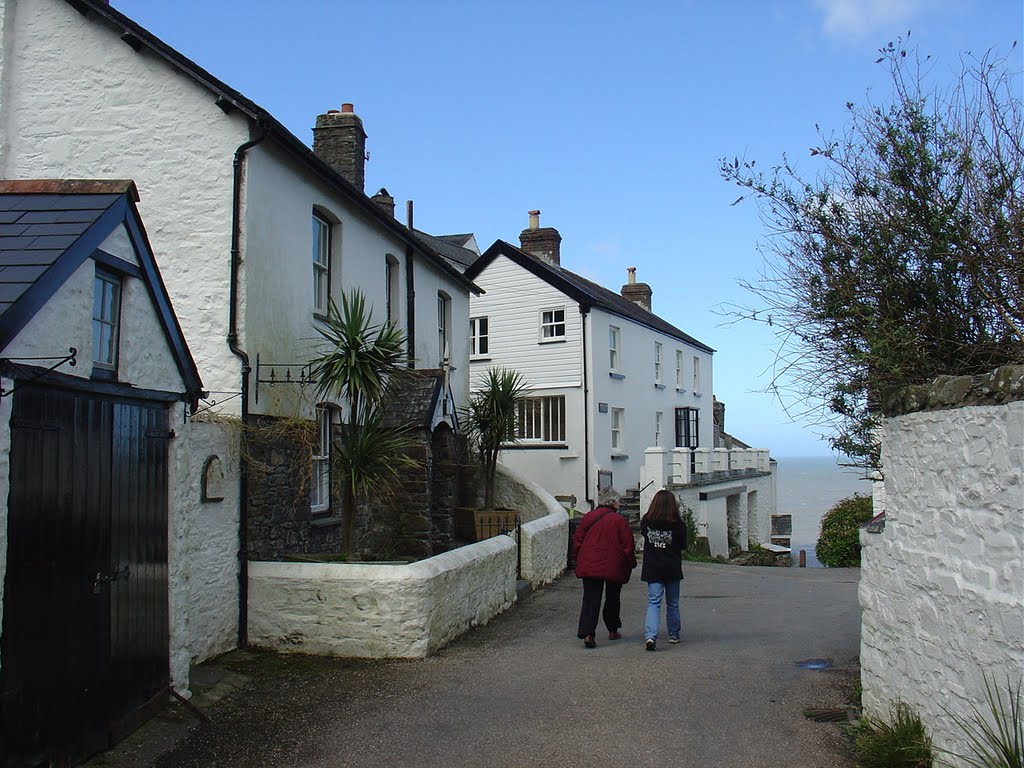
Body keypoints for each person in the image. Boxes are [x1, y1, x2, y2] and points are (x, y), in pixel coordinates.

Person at [572, 487, 637, 649]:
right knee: (613, 598)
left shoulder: (588, 517)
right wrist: (631, 562)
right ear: (613, 502)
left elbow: (578, 541)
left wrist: (579, 559)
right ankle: (612, 629)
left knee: (590, 599)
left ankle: (588, 633)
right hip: (613, 565)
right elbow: (628, 545)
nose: (620, 503)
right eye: (618, 500)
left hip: (590, 564)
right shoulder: (619, 521)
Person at [640, 489, 687, 651]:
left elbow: (644, 535)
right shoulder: (679, 525)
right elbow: (682, 545)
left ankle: (650, 636)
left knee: (654, 602)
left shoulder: (646, 521)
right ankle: (673, 634)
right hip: (672, 567)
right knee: (673, 603)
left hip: (653, 567)